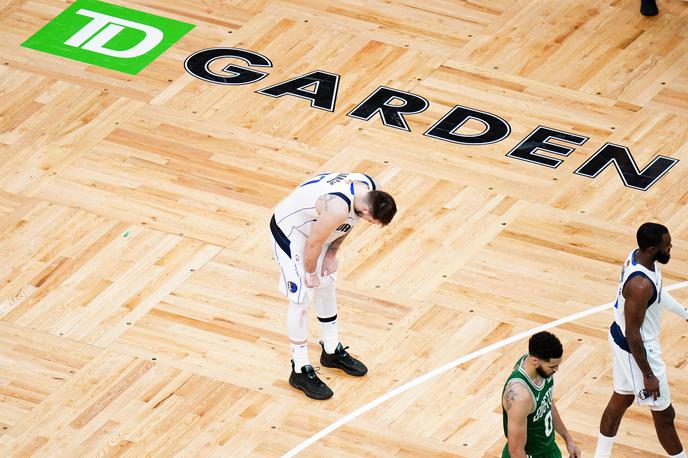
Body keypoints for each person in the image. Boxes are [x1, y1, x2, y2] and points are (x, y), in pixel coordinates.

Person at [269, 172, 397, 400]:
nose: (368, 223)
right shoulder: (336, 208)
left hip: (317, 229)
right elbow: (313, 243)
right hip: (292, 232)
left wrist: (331, 254)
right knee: (301, 298)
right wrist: (309, 273)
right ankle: (299, 369)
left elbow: (348, 224)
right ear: (368, 210)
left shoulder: (368, 187)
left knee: (327, 284)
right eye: (371, 221)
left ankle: (330, 350)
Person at [594, 223, 687, 457]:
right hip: (637, 348)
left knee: (622, 398)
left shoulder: (640, 258)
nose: (671, 247)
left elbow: (659, 291)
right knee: (665, 415)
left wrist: (685, 313)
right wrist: (648, 375)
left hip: (622, 339)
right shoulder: (639, 285)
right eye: (667, 245)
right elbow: (633, 335)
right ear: (653, 249)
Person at [502, 331, 581, 458]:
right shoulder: (520, 396)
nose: (556, 370)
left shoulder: (541, 371)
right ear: (535, 361)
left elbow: (547, 404)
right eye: (552, 366)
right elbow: (516, 451)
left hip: (549, 450)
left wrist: (568, 439)